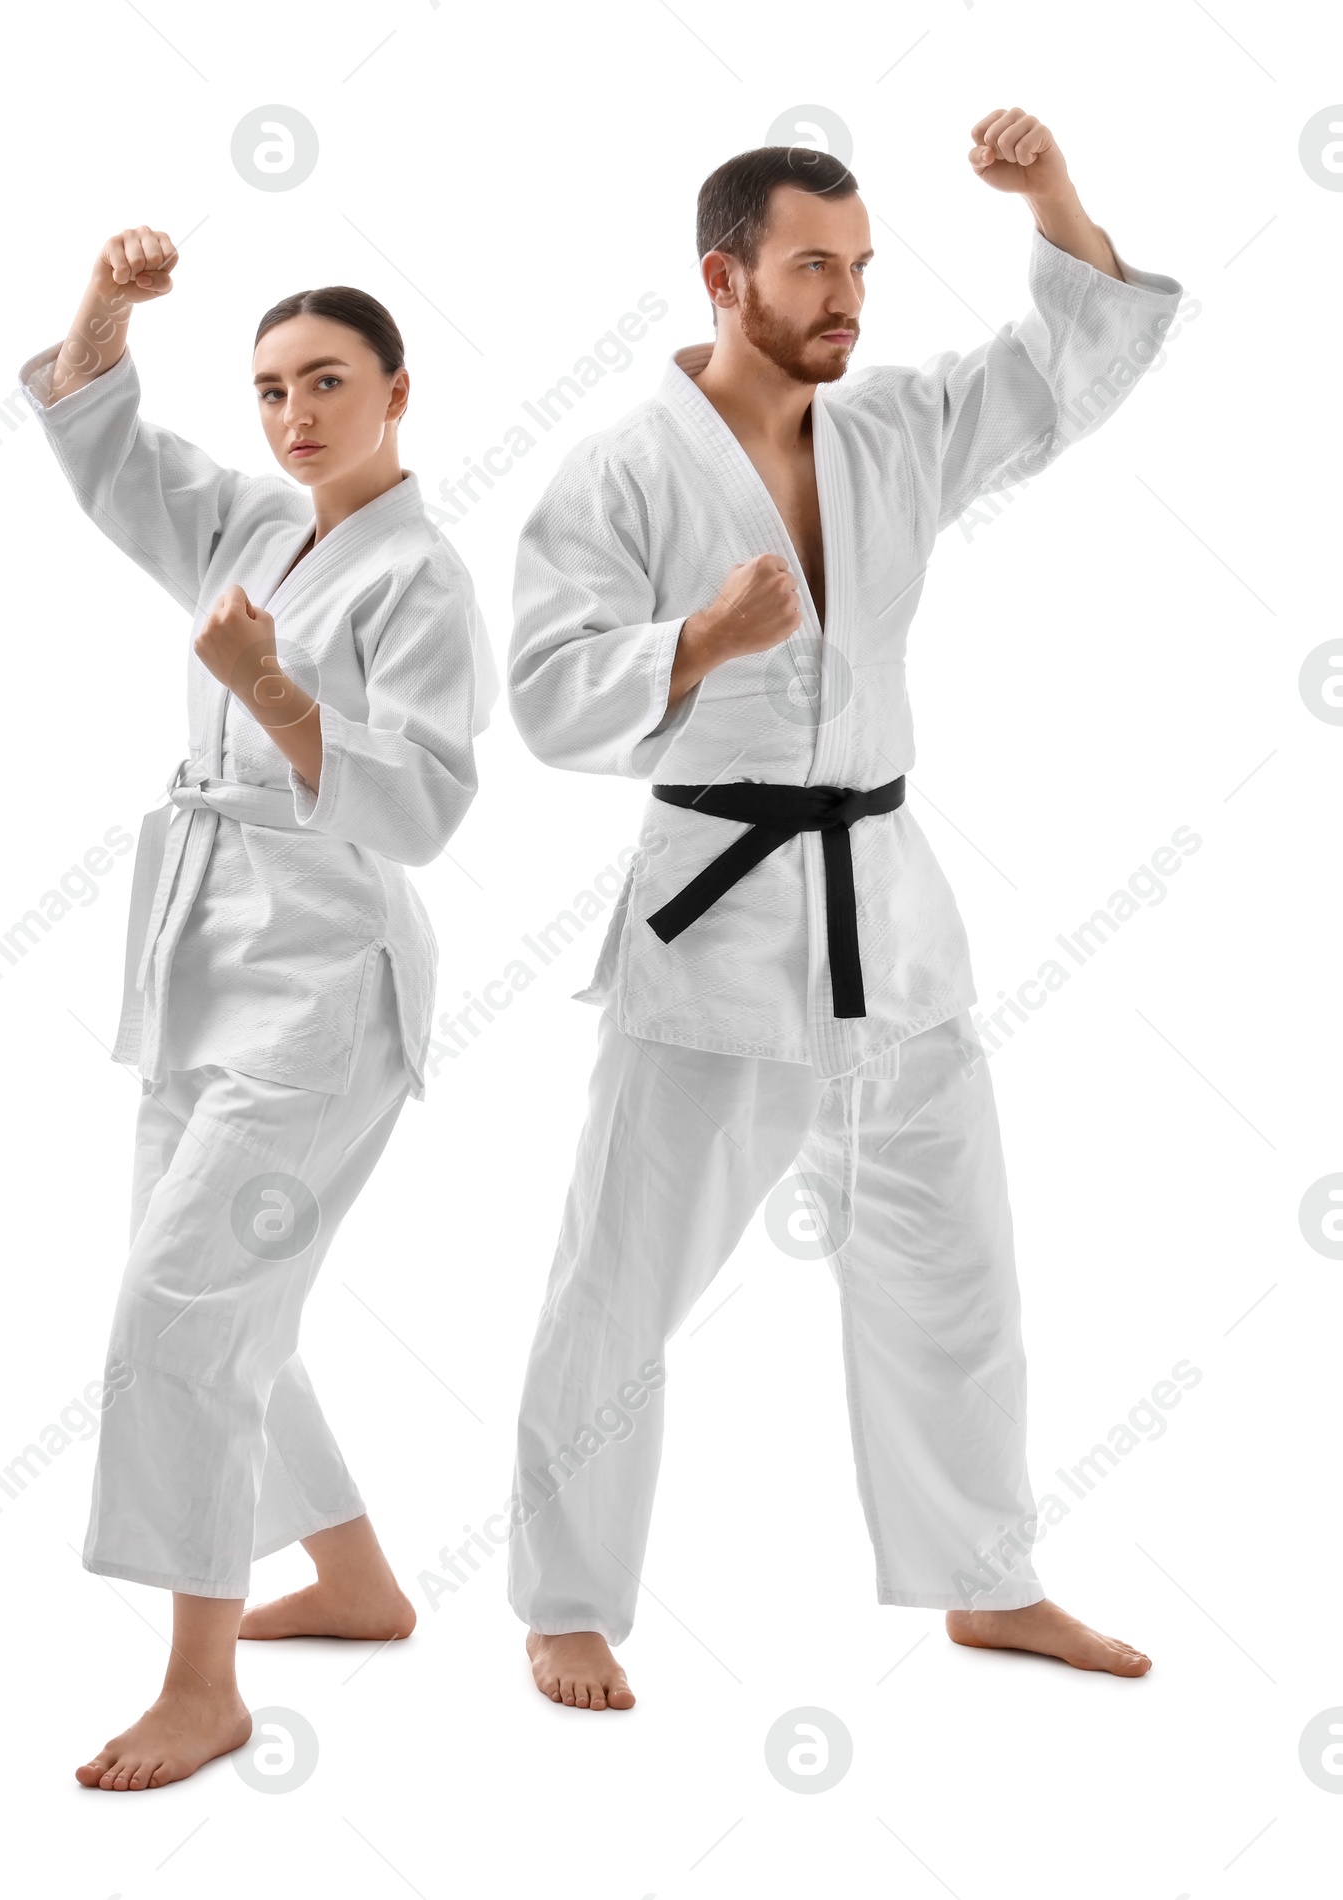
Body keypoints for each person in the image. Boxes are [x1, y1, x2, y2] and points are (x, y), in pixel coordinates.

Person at [505, 111, 1180, 1711]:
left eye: (863, 268)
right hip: (716, 927)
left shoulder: (890, 431)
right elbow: (538, 692)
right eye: (816, 267)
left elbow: (1059, 372)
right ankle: (567, 1600)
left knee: (956, 1263)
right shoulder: (618, 472)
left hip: (887, 903)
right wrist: (693, 646)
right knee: (622, 1275)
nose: (849, 298)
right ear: (724, 276)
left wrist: (1050, 196)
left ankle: (985, 1581)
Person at [19, 226, 496, 1786]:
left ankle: (201, 1683)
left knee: (178, 1308)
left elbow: (423, 810)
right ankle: (354, 1580)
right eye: (273, 389)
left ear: (398, 394)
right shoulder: (247, 528)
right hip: (199, 963)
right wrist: (105, 310)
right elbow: (105, 452)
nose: (295, 416)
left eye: (328, 384)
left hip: (320, 992)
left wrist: (281, 695)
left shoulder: (423, 577)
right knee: (218, 1294)